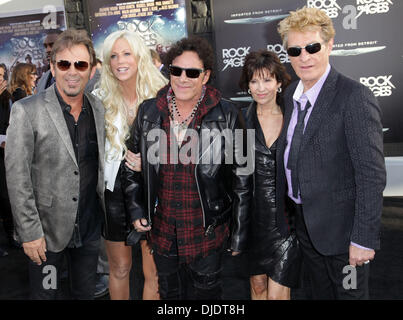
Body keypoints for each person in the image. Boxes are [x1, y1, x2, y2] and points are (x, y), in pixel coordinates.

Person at [121, 36, 252, 300]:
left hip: (206, 232)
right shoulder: (149, 112)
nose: (183, 78)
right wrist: (137, 209)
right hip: (163, 231)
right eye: (176, 70)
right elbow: (130, 169)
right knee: (169, 294)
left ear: (205, 76)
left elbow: (243, 177)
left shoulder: (228, 114)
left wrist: (239, 233)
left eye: (192, 72)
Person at [276, 7, 386, 299]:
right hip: (307, 229)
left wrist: (363, 238)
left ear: (330, 45)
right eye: (295, 50)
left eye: (312, 47)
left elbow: (371, 174)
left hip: (345, 237)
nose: (304, 57)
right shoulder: (289, 96)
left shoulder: (354, 97)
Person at [5, 29, 105, 300]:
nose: (72, 71)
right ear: (52, 66)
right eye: (64, 64)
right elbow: (17, 177)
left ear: (91, 70)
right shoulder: (27, 110)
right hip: (46, 235)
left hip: (89, 228)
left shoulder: (98, 108)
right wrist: (29, 232)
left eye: (80, 64)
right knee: (46, 295)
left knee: (85, 294)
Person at [93, 30, 167, 300]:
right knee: (120, 267)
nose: (119, 60)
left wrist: (147, 163)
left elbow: (179, 146)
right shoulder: (99, 98)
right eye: (113, 55)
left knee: (154, 271)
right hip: (114, 192)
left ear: (139, 57)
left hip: (152, 192)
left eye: (126, 53)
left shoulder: (162, 94)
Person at [238, 50, 301, 300]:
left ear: (278, 82)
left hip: (287, 221)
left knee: (277, 294)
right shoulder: (240, 119)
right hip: (253, 219)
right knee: (259, 288)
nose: (260, 87)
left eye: (266, 80)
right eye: (254, 81)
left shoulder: (294, 117)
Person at [36, 29, 100, 94]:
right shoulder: (44, 79)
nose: (48, 50)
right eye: (45, 46)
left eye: (52, 45)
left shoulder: (95, 78)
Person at [0, 64, 13, 256]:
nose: (1, 80)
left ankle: (11, 237)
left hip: (4, 158)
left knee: (6, 197)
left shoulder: (5, 99)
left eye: (3, 76)